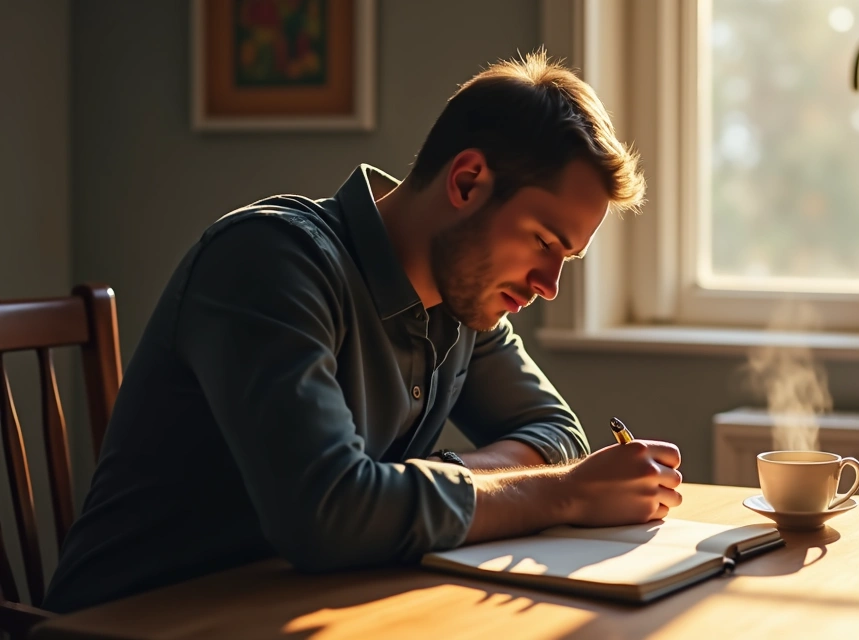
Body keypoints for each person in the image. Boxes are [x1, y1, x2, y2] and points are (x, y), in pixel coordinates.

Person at [43, 50, 683, 613]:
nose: (549, 284)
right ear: (467, 182)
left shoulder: (463, 299)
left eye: (565, 258)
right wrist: (558, 497)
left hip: (298, 605)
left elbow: (557, 434)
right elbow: (329, 516)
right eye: (543, 241)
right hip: (136, 619)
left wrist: (415, 486)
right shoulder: (267, 262)